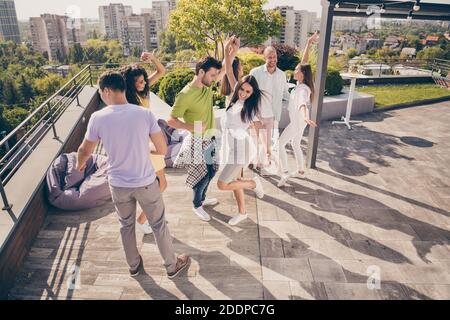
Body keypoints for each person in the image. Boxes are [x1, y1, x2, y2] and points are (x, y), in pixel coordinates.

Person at [76, 71, 189, 278]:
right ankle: (172, 266)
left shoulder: (97, 117)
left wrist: (79, 165)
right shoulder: (144, 114)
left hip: (118, 185)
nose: (101, 96)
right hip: (145, 181)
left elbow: (85, 151)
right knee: (158, 224)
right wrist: (143, 149)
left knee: (126, 225)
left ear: (107, 90)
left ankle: (134, 266)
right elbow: (162, 149)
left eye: (101, 92)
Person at [167, 57, 225, 222]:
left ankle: (202, 198)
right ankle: (196, 204)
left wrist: (231, 52)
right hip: (197, 141)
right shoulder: (185, 94)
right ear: (201, 72)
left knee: (212, 170)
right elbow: (170, 120)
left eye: (215, 75)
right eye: (212, 75)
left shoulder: (205, 88)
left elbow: (223, 72)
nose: (215, 78)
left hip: (210, 137)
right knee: (203, 176)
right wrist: (192, 127)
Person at [217, 37, 265, 226]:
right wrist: (230, 49)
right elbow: (228, 69)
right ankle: (243, 212)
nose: (243, 94)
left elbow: (257, 128)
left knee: (222, 184)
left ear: (252, 95)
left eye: (248, 92)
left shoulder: (250, 108)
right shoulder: (234, 96)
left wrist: (265, 151)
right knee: (235, 179)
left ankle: (253, 184)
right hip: (232, 147)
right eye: (243, 90)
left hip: (242, 149)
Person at [120, 52, 167, 235]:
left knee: (155, 183)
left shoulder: (144, 93)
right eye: (139, 82)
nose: (143, 84)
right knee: (161, 184)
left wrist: (153, 58)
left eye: (143, 81)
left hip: (148, 143)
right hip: (144, 146)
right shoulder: (128, 102)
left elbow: (161, 71)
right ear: (130, 85)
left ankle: (146, 216)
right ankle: (142, 219)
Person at [278, 33, 319, 187]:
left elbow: (302, 103)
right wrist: (308, 43)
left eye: (296, 70)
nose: (294, 71)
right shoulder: (304, 84)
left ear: (302, 74)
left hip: (297, 122)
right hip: (300, 122)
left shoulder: (302, 89)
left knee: (280, 144)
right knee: (295, 144)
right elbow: (305, 62)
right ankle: (301, 171)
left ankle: (286, 172)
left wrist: (304, 115)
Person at [249, 46, 290, 176]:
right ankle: (252, 160)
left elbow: (285, 93)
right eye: (270, 57)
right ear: (264, 58)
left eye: (274, 57)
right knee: (254, 139)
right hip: (256, 113)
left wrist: (297, 101)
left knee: (267, 141)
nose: (273, 60)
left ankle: (263, 165)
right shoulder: (255, 72)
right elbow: (248, 91)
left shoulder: (281, 75)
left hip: (272, 114)